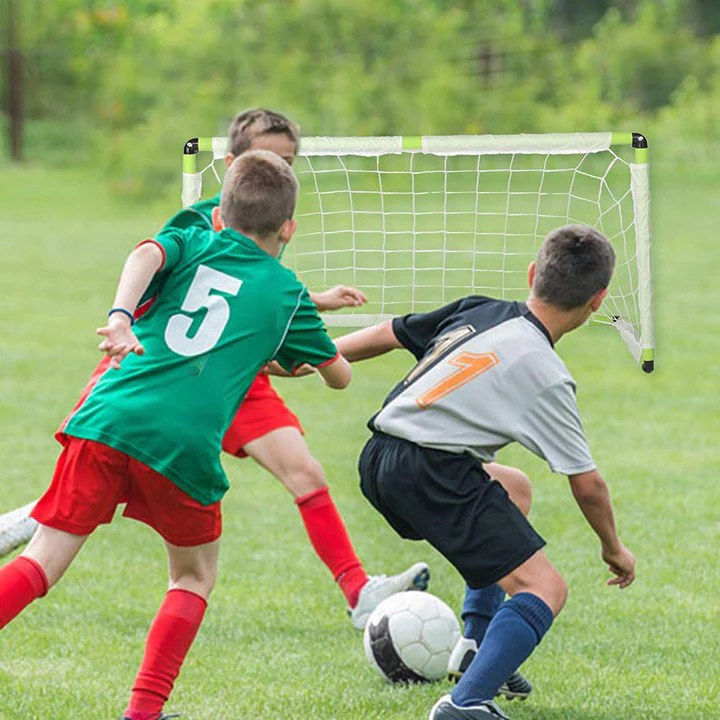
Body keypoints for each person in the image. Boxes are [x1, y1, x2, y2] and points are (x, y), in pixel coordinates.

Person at [0, 150, 353, 720]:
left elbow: (146, 252)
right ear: (289, 229)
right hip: (183, 446)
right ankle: (143, 713)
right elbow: (338, 376)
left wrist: (120, 316)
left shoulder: (195, 233)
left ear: (219, 215)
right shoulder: (288, 294)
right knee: (192, 575)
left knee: (44, 560)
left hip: (108, 413)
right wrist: (303, 357)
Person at [57, 108, 429, 631]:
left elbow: (260, 299)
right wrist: (121, 318)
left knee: (305, 473)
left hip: (236, 375)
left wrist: (316, 301)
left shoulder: (264, 215)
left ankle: (358, 590)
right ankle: (34, 522)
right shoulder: (202, 220)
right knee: (107, 483)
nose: (282, 170)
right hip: (174, 375)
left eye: (289, 161)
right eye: (268, 159)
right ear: (232, 164)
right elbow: (170, 276)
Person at [331, 225, 636, 719]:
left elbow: (387, 334)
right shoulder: (546, 372)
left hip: (378, 457)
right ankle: (465, 704)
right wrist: (614, 549)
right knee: (545, 588)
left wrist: (317, 356)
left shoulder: (480, 308)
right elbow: (588, 483)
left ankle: (474, 643)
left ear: (534, 273)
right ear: (598, 300)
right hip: (429, 471)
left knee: (512, 486)